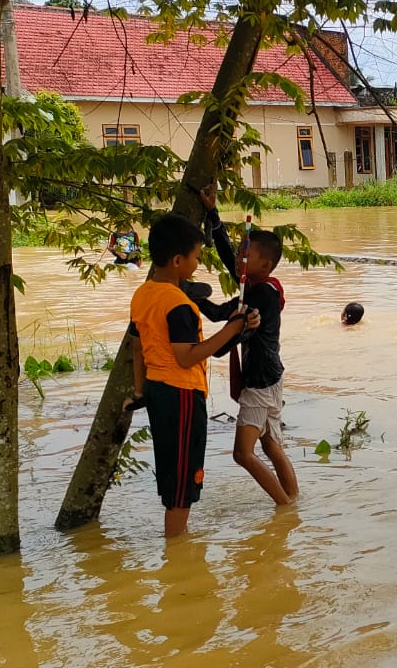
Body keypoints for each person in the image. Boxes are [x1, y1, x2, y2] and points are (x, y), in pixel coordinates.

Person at [127, 213, 258, 538]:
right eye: (196, 258)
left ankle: (177, 541)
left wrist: (141, 391)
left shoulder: (143, 294)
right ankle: (177, 548)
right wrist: (234, 327)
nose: (197, 264)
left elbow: (136, 347)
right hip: (182, 395)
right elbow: (187, 357)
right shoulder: (179, 304)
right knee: (184, 480)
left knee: (173, 473)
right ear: (176, 260)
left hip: (157, 392)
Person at [191, 187, 298, 508]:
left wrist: (190, 293)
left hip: (261, 383)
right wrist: (213, 214)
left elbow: (220, 314)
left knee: (243, 454)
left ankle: (283, 507)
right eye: (240, 252)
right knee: (271, 446)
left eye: (246, 255)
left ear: (265, 267)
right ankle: (293, 502)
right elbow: (228, 257)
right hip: (271, 377)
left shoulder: (261, 295)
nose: (239, 258)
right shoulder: (258, 285)